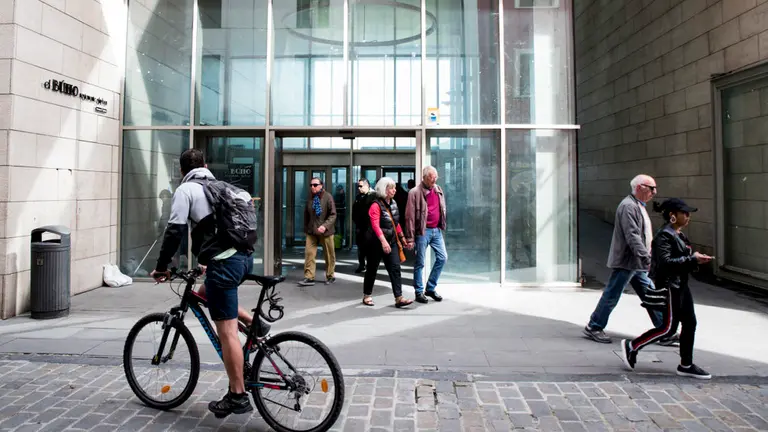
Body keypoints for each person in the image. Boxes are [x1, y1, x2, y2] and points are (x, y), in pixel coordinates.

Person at [150, 149, 263, 418]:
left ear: (181, 171)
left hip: (225, 264)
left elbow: (175, 230)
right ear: (206, 165)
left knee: (226, 332)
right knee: (205, 294)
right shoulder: (221, 187)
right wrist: (205, 261)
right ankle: (252, 321)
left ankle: (237, 395)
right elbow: (217, 231)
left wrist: (162, 267)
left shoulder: (186, 190)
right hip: (243, 259)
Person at [620, 198, 713, 379]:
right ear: (672, 215)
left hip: (681, 285)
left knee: (690, 323)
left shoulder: (679, 235)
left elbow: (681, 261)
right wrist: (692, 259)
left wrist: (695, 260)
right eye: (684, 213)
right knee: (668, 328)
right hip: (670, 286)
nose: (688, 217)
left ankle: (686, 364)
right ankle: (632, 346)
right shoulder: (664, 236)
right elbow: (665, 264)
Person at [583, 174, 679, 346]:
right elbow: (632, 235)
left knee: (651, 294)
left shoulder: (637, 205)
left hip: (636, 262)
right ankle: (594, 326)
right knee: (613, 293)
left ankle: (664, 330)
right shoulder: (629, 206)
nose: (654, 192)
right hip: (628, 260)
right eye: (651, 188)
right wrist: (645, 256)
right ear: (640, 187)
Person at [362, 177, 414, 308]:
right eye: (391, 188)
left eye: (394, 187)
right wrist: (383, 242)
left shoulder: (394, 203)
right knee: (372, 269)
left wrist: (402, 239)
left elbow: (394, 223)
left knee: (395, 269)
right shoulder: (375, 205)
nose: (394, 190)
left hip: (391, 241)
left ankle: (399, 297)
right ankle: (367, 295)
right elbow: (375, 225)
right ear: (384, 189)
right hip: (375, 242)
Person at [405, 166, 447, 304]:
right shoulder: (414, 193)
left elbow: (441, 208)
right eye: (431, 177)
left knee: (442, 258)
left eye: (436, 177)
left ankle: (430, 288)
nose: (434, 179)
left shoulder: (438, 189)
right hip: (422, 232)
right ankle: (418, 292)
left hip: (436, 231)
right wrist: (410, 238)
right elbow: (409, 217)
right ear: (424, 177)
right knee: (420, 262)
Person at [300, 177, 337, 286]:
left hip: (326, 231)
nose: (312, 187)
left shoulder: (328, 197)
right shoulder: (310, 197)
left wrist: (325, 226)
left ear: (321, 185)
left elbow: (333, 214)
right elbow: (306, 214)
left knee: (329, 254)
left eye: (315, 185)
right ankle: (309, 277)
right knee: (309, 254)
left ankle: (330, 276)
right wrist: (306, 228)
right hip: (312, 231)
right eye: (311, 185)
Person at [352, 178, 375, 273]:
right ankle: (362, 265)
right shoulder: (359, 197)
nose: (359, 188)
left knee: (370, 248)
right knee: (360, 248)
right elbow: (355, 210)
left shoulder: (373, 196)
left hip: (369, 227)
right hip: (360, 226)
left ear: (367, 186)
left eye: (361, 186)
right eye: (358, 186)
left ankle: (370, 266)